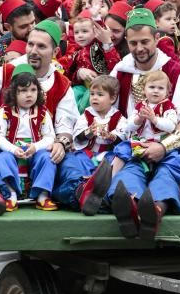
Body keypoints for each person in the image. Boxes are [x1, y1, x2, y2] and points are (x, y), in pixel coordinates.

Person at [0, 21, 79, 209]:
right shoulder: (6, 71)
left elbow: (66, 128)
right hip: (2, 145)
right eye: (30, 44)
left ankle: (80, 192)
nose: (33, 51)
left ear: (55, 52)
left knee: (67, 160)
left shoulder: (62, 85)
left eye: (41, 46)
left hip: (41, 148)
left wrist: (61, 143)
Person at [105, 8, 180, 239]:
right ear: (127, 41)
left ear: (157, 38)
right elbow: (113, 115)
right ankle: (127, 206)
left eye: (145, 41)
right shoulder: (121, 71)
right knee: (127, 174)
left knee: (167, 174)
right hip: (134, 144)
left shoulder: (176, 72)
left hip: (167, 145)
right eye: (133, 43)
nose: (139, 48)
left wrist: (163, 147)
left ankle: (154, 213)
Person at [53, 75, 128, 214]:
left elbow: (123, 137)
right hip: (87, 153)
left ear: (112, 98)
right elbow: (78, 136)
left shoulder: (119, 117)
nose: (94, 98)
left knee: (113, 165)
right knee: (71, 161)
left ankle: (98, 191)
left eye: (100, 95)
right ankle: (83, 188)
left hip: (107, 155)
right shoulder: (86, 115)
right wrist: (89, 132)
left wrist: (111, 136)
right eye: (92, 94)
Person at [0, 64, 58, 212]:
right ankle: (11, 195)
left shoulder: (43, 112)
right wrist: (13, 149)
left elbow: (50, 137)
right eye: (23, 91)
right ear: (13, 93)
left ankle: (42, 196)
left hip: (35, 151)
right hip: (13, 151)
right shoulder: (4, 112)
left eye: (33, 90)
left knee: (47, 158)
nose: (29, 94)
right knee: (2, 159)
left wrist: (36, 147)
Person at [111, 70, 178, 174]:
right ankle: (113, 177)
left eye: (161, 88)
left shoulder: (168, 106)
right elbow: (129, 127)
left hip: (158, 144)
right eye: (152, 87)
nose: (156, 91)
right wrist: (138, 119)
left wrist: (154, 119)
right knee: (122, 149)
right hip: (140, 143)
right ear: (144, 90)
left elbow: (171, 126)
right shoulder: (139, 106)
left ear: (168, 91)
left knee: (175, 160)